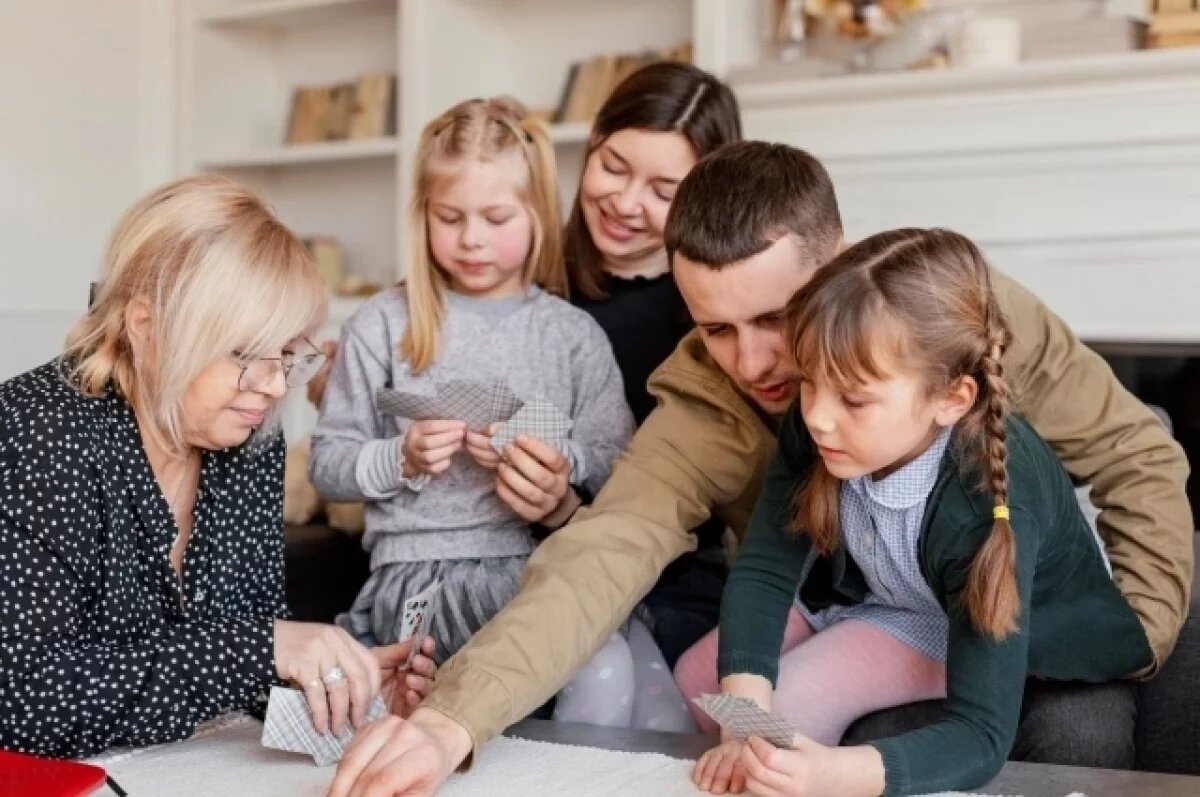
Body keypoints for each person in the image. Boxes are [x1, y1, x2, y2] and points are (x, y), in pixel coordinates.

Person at [329, 143, 1191, 797]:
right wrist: (455, 718)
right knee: (717, 685)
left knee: (1074, 729)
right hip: (857, 598)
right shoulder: (714, 401)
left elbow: (1135, 452)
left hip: (1003, 598)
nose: (756, 362)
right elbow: (601, 554)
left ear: (841, 262)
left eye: (778, 316)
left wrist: (1145, 628)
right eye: (716, 328)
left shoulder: (956, 313)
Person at [684, 227, 1152, 796]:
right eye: (810, 383)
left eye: (854, 399)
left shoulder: (987, 506)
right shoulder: (823, 422)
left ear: (951, 399)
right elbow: (763, 569)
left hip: (967, 624)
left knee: (798, 705)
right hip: (883, 593)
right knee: (702, 679)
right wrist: (743, 717)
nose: (818, 418)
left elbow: (981, 734)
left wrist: (832, 775)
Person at [0, 176, 434, 759]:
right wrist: (259, 650)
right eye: (244, 354)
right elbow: (21, 700)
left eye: (287, 353)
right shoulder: (37, 435)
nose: (277, 384)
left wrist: (333, 687)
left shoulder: (251, 440)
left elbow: (237, 659)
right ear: (147, 328)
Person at [308, 98, 634, 668]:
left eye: (497, 218)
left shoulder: (571, 335)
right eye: (450, 218)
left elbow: (619, 459)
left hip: (534, 565)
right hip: (412, 580)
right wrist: (400, 458)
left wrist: (560, 460)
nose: (471, 240)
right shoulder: (381, 325)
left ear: (537, 214)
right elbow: (328, 465)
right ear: (423, 214)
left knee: (601, 664)